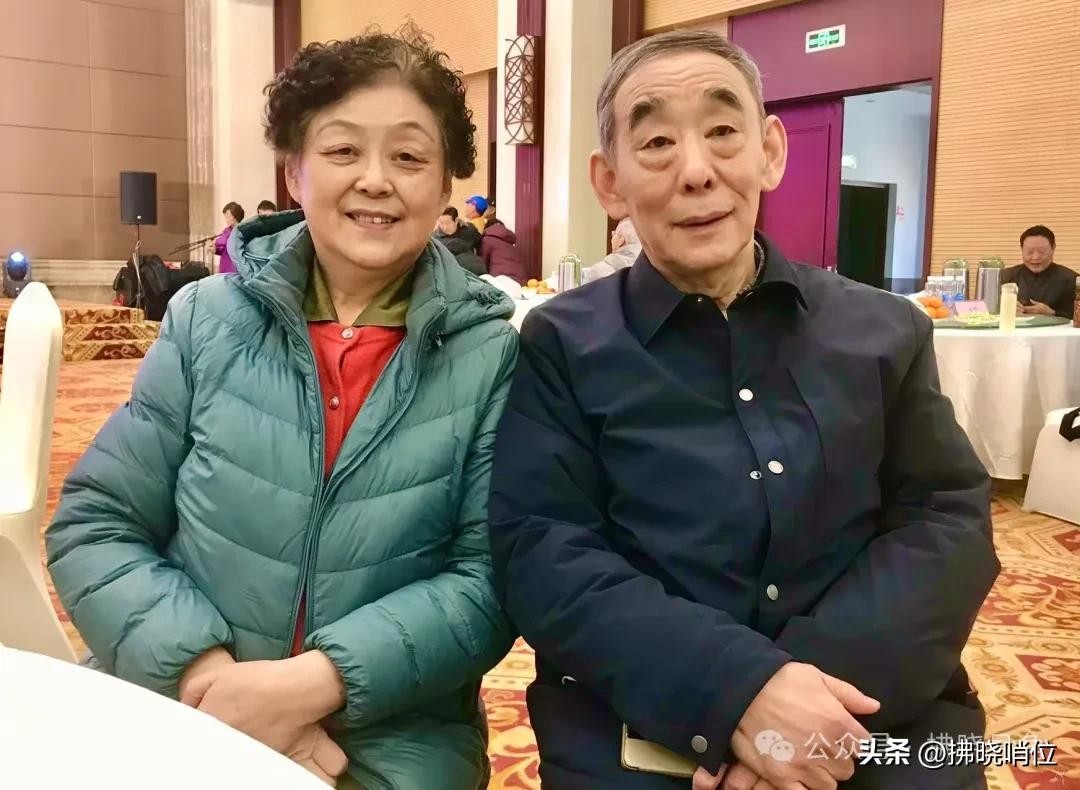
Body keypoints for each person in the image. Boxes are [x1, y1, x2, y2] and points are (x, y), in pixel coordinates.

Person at [488, 29, 998, 790]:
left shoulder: (885, 330)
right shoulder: (561, 343)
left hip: (873, 704)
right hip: (644, 720)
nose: (697, 171)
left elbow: (946, 517)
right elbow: (543, 548)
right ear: (610, 182)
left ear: (771, 152)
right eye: (657, 142)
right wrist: (733, 693)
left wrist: (801, 708)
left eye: (723, 131)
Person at [47, 26, 518, 790]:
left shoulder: (492, 355)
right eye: (342, 150)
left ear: (444, 187)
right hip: (174, 699)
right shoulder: (205, 321)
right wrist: (211, 683)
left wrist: (310, 688)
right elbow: (96, 524)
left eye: (408, 156)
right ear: (295, 170)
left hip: (388, 735)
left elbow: (488, 583)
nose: (375, 179)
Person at [1002, 225, 1075, 319]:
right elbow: (986, 309)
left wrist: (1053, 313)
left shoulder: (1071, 279)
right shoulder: (1005, 276)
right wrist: (1005, 308)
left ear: (1053, 249)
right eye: (1029, 252)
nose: (1035, 257)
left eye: (1041, 252)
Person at [582, 217, 642, 283]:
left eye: (614, 233)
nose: (612, 237)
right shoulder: (646, 272)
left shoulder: (598, 272)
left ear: (621, 240)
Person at [434, 206, 485, 275]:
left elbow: (481, 245)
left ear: (456, 220)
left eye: (447, 223)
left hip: (475, 271)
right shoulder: (435, 239)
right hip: (453, 274)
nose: (444, 227)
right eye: (441, 223)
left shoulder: (469, 230)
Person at [479, 216, 526, 283]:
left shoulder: (487, 240)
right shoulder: (510, 243)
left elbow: (482, 264)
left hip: (501, 279)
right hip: (520, 280)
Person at [214, 202, 244, 274]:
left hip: (235, 268)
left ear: (235, 216)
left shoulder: (242, 231)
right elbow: (223, 249)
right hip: (224, 265)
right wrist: (215, 250)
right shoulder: (226, 230)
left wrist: (215, 242)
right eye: (225, 216)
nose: (226, 219)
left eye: (228, 216)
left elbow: (225, 242)